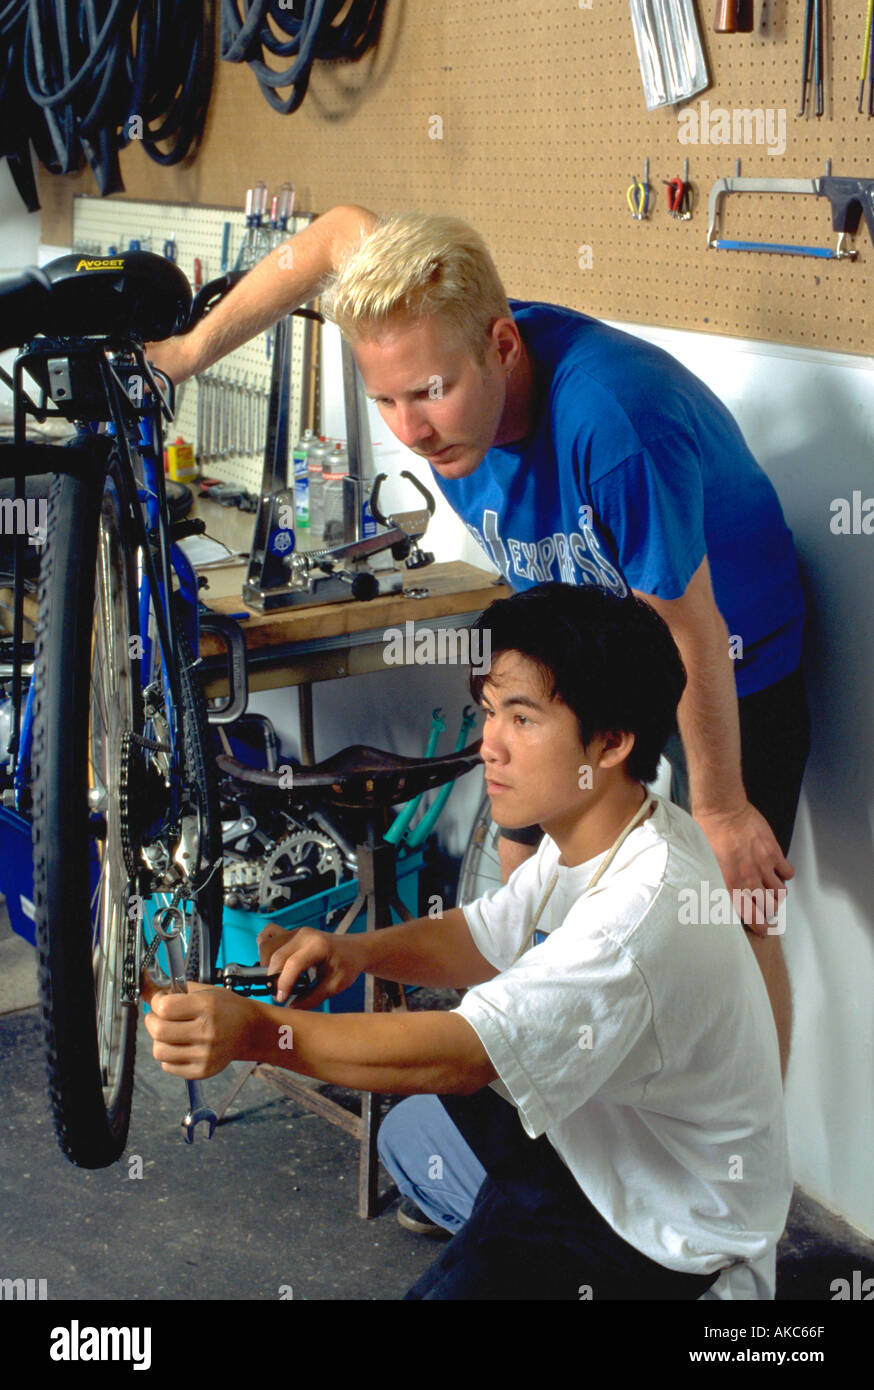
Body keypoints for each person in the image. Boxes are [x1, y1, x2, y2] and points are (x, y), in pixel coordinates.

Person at [146, 207, 810, 1071]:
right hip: (593, 657)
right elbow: (336, 232)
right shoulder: (420, 307)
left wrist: (721, 810)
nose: (410, 430)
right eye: (386, 398)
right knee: (532, 861)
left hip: (727, 656)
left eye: (429, 392)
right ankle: (568, 1120)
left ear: (502, 347)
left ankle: (742, 1159)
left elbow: (692, 631)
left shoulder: (611, 423)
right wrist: (187, 355)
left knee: (734, 905)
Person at [144, 583, 792, 1300]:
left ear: (610, 742)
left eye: (522, 718)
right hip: (592, 1147)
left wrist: (261, 1032)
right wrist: (359, 951)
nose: (490, 745)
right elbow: (485, 934)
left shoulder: (637, 916)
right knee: (406, 1135)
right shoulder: (609, 822)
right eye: (489, 713)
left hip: (668, 1239)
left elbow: (464, 1055)